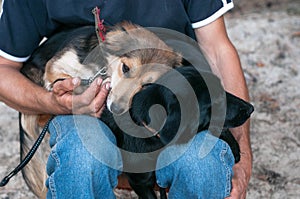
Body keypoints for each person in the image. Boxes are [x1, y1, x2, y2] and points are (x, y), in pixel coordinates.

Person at [0, 0, 252, 198]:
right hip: (83, 106)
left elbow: (218, 51)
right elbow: (3, 69)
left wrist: (240, 154)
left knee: (203, 165)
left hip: (174, 103)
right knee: (80, 157)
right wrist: (54, 103)